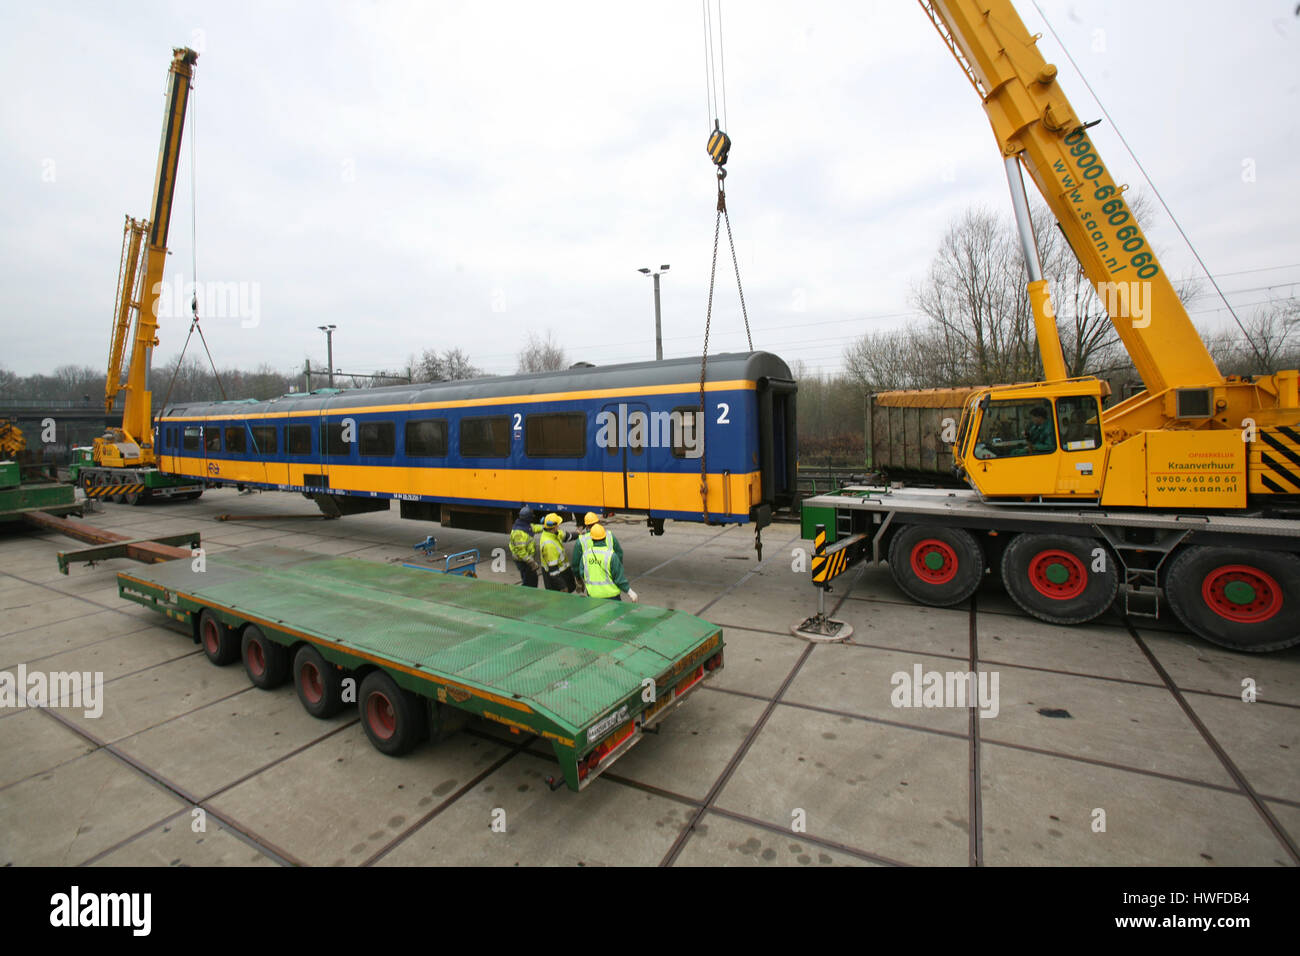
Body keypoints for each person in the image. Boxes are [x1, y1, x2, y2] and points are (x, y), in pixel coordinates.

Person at [576, 523, 637, 602]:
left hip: (593, 596)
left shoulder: (585, 555)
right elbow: (619, 578)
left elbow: (582, 573)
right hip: (611, 597)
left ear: (592, 538)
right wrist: (630, 592)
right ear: (605, 537)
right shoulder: (611, 555)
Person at [572, 511, 622, 576]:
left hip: (590, 577)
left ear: (586, 526)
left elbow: (576, 564)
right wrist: (617, 570)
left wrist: (579, 576)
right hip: (609, 573)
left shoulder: (581, 540)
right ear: (598, 522)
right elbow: (619, 554)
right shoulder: (610, 535)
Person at [538, 512, 577, 593]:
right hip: (556, 583)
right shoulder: (549, 545)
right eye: (558, 525)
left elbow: (566, 536)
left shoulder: (552, 534)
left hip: (563, 575)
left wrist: (579, 534)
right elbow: (553, 571)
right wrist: (563, 587)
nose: (559, 526)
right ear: (554, 526)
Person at [509, 506, 544, 587]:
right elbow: (521, 552)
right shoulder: (518, 533)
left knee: (530, 579)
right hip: (523, 561)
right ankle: (525, 595)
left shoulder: (525, 526)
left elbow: (534, 528)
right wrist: (531, 562)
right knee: (530, 581)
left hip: (526, 560)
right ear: (528, 518)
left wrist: (545, 527)